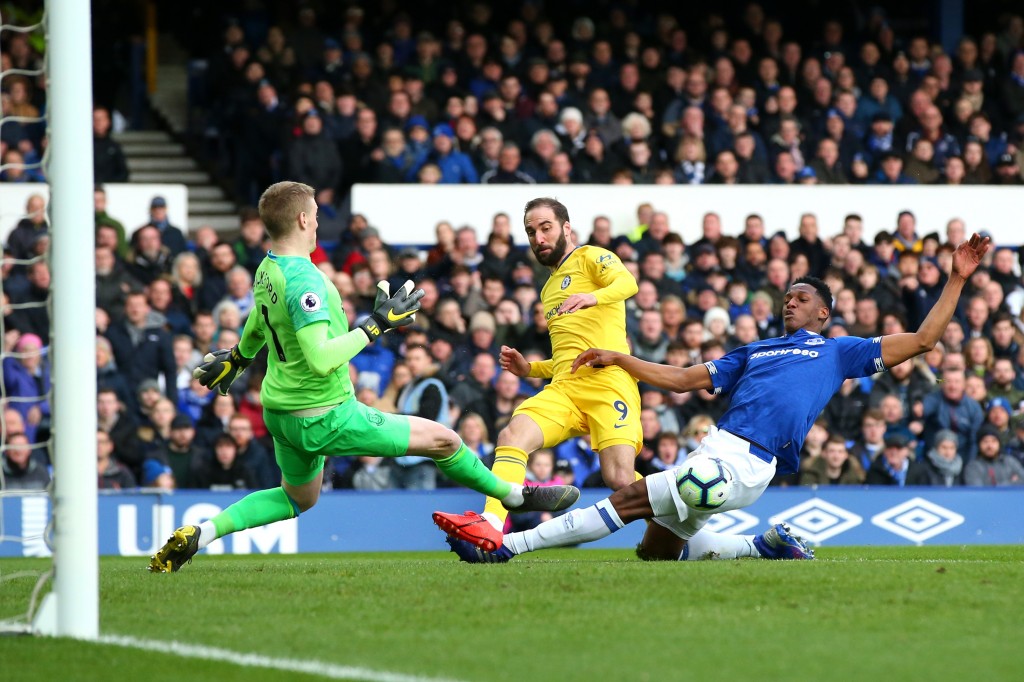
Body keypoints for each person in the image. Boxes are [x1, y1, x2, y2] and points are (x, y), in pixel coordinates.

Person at [442, 234, 990, 562]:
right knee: (654, 553)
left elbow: (923, 340)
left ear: (824, 313)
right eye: (786, 298)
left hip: (750, 461)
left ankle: (508, 547)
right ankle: (761, 547)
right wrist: (619, 359)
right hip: (715, 453)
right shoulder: (753, 350)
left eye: (801, 298)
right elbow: (682, 380)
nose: (789, 304)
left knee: (628, 501)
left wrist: (957, 281)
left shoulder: (838, 351)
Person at [149, 181, 577, 573]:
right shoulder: (303, 281)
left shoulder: (269, 268)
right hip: (324, 414)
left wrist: (240, 357)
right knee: (444, 440)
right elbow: (320, 358)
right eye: (314, 213)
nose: (317, 220)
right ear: (302, 219)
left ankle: (200, 533)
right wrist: (376, 324)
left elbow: (261, 322)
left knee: (298, 498)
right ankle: (514, 495)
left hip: (281, 411)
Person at [433, 197, 642, 556]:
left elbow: (628, 283)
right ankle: (492, 527)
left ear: (565, 228)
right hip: (565, 388)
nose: (538, 237)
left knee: (620, 479)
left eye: (546, 227)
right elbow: (566, 358)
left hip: (609, 382)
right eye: (531, 231)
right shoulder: (548, 290)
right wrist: (530, 369)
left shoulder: (592, 257)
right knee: (512, 434)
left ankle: (686, 519)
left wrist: (592, 297)